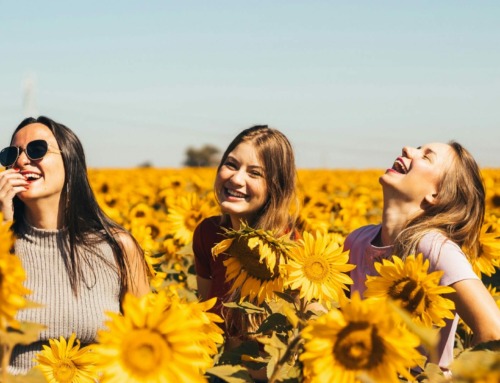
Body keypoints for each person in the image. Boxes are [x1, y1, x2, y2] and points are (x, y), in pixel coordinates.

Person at [0, 116, 150, 374]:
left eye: (37, 150)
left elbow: (145, 341)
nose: (22, 161)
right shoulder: (4, 247)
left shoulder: (117, 247)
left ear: (71, 162)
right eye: (11, 154)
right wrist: (5, 229)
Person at [344, 141, 500, 370]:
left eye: (427, 157)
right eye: (417, 148)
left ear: (436, 195)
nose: (407, 149)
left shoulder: (434, 248)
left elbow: (493, 332)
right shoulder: (356, 241)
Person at [194, 125, 298, 314]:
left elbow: (303, 320)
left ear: (275, 188)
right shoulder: (208, 233)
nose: (236, 179)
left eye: (255, 173)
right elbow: (206, 312)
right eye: (231, 165)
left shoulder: (291, 247)